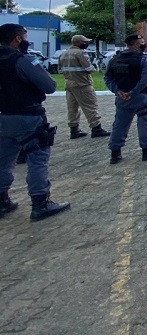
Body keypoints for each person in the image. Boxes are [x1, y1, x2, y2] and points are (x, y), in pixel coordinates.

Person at [0, 24, 71, 221]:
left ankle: (2, 200)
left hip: (3, 116)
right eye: (24, 36)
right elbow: (49, 86)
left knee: (3, 160)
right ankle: (40, 203)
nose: (26, 39)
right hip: (27, 116)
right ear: (17, 38)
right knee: (37, 158)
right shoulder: (22, 60)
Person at [105, 34, 147, 164]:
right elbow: (145, 80)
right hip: (141, 97)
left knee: (120, 124)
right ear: (136, 44)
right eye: (142, 42)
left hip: (122, 98)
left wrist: (118, 91)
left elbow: (108, 78)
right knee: (144, 124)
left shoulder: (115, 59)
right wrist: (132, 93)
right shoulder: (143, 59)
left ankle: (115, 153)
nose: (144, 44)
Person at [58, 34, 111, 139]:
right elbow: (89, 69)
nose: (86, 44)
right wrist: (95, 66)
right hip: (82, 84)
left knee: (72, 108)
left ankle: (74, 130)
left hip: (69, 84)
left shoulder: (63, 54)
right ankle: (96, 128)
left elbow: (60, 70)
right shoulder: (81, 53)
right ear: (77, 42)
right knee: (90, 106)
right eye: (84, 42)